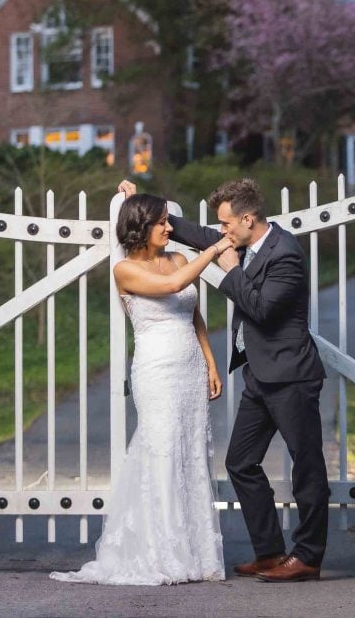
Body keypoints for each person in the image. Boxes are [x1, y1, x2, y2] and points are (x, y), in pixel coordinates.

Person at [118, 178, 329, 583]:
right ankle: (269, 553)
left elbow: (263, 311)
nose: (222, 233)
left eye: (227, 225)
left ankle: (308, 556)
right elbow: (199, 235)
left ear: (247, 219)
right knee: (240, 462)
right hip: (260, 376)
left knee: (307, 465)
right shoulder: (245, 240)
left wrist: (230, 271)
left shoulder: (285, 254)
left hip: (291, 376)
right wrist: (141, 206)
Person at [50, 193, 230, 585]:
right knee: (162, 451)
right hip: (157, 369)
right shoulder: (125, 270)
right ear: (141, 226)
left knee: (190, 455)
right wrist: (215, 246)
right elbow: (173, 286)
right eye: (161, 222)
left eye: (169, 220)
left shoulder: (180, 258)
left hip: (188, 366)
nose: (170, 228)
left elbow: (194, 315)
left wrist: (210, 364)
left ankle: (197, 555)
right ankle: (163, 554)